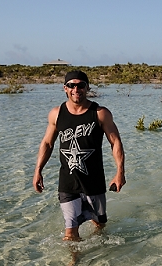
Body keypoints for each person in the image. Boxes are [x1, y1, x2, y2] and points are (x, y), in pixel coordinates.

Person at [32, 70, 125, 241]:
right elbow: (47, 143)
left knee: (100, 225)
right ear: (65, 88)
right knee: (70, 231)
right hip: (67, 183)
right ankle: (74, 261)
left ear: (87, 87)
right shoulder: (56, 114)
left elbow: (116, 142)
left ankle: (100, 254)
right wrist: (38, 170)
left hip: (94, 181)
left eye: (80, 85)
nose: (76, 89)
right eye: (71, 85)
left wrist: (120, 172)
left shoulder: (100, 113)